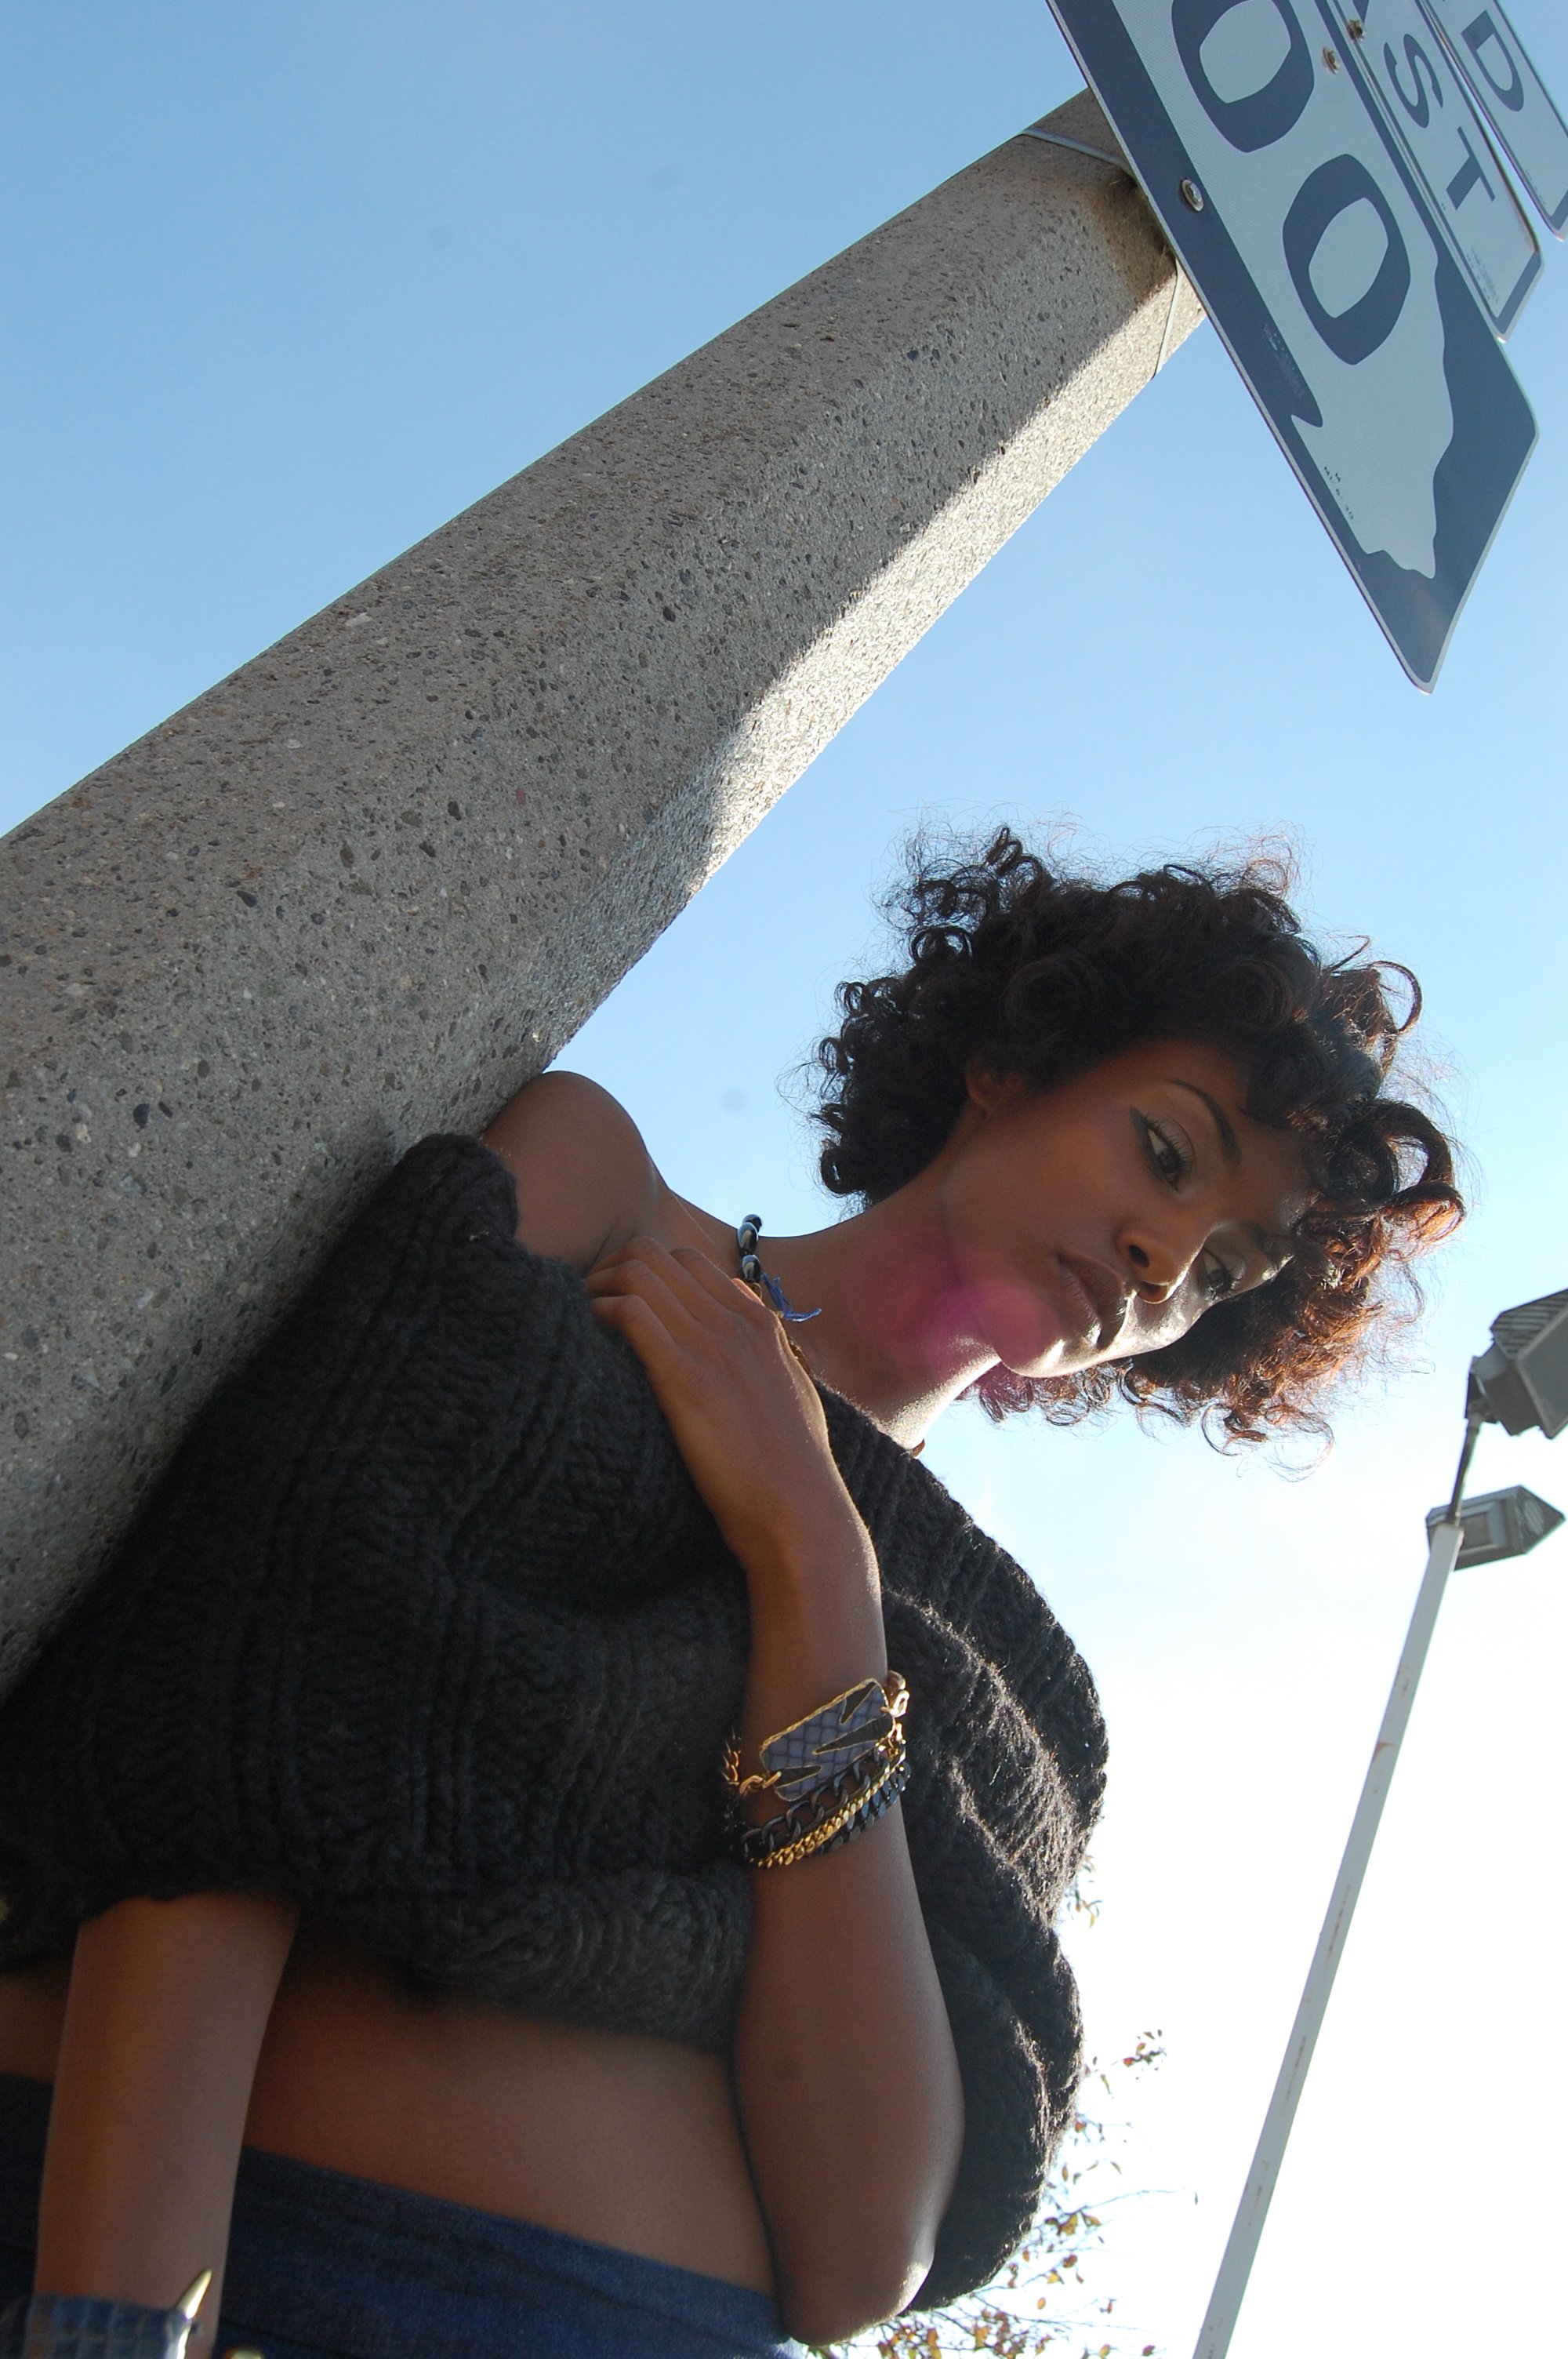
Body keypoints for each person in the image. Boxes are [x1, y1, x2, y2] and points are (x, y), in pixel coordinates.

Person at [0, 834, 1460, 2359]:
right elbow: (252, 1627)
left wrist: (815, 1564)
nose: (1164, 1258)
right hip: (168, 2253)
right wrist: (117, 2315)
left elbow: (859, 2255)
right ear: (1009, 1068)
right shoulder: (609, 1197)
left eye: (1219, 1274)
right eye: (1165, 1153)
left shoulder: (1014, 1682)